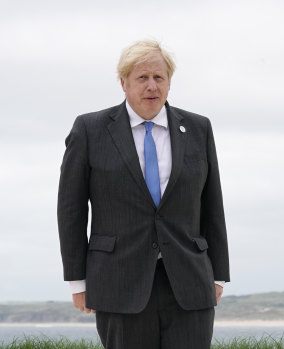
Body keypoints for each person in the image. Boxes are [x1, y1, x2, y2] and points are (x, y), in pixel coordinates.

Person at [57, 40, 230, 349]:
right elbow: (71, 210)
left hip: (189, 283)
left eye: (159, 78)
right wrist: (78, 281)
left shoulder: (198, 128)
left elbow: (212, 204)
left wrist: (218, 276)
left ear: (168, 82)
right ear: (123, 83)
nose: (152, 86)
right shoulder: (90, 129)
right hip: (118, 283)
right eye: (142, 78)